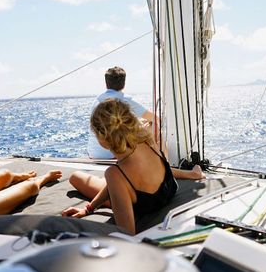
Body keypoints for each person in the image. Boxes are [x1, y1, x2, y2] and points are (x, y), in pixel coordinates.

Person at [64, 99, 203, 234]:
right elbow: (160, 167)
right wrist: (89, 208)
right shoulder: (148, 140)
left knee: (75, 177)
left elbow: (127, 232)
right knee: (127, 177)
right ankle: (192, 174)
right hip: (168, 191)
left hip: (145, 205)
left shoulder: (114, 174)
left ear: (102, 140)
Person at [87, 66, 157, 159]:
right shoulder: (126, 99)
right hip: (114, 155)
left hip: (94, 155)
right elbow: (154, 118)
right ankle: (158, 157)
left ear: (106, 83)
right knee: (151, 124)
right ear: (124, 83)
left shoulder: (96, 100)